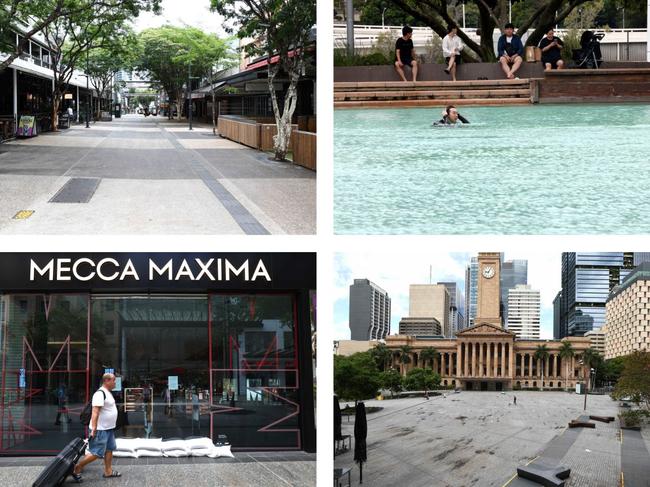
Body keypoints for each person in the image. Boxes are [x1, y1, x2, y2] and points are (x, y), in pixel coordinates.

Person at [72, 373, 121, 482]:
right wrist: (94, 429)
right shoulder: (100, 394)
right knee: (96, 453)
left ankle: (108, 471)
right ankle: (77, 467)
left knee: (109, 449)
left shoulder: (108, 393)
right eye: (113, 380)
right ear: (107, 381)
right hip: (100, 429)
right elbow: (95, 412)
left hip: (108, 429)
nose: (115, 383)